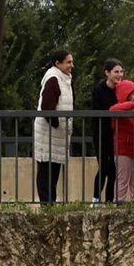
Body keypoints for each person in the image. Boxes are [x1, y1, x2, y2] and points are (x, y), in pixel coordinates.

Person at [33, 50, 74, 204]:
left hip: (57, 134)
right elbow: (47, 107)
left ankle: (50, 204)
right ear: (58, 63)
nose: (72, 65)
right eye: (68, 62)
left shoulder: (63, 79)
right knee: (46, 172)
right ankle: (47, 205)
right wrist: (57, 124)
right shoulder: (53, 79)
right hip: (49, 133)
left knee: (53, 172)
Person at [90, 58, 124, 205]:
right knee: (104, 167)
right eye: (116, 72)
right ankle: (96, 199)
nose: (119, 75)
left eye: (121, 72)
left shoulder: (121, 90)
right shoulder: (98, 91)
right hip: (101, 134)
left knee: (113, 170)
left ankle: (109, 201)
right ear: (107, 73)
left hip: (115, 135)